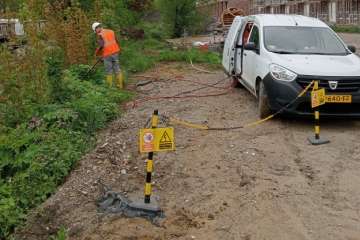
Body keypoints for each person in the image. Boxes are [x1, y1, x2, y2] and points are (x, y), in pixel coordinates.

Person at [92, 22, 123, 89]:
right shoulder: (111, 31)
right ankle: (120, 86)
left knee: (109, 71)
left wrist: (97, 53)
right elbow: (116, 41)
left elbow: (101, 46)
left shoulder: (100, 35)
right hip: (115, 52)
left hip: (107, 55)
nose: (96, 32)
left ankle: (110, 87)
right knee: (117, 69)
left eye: (95, 30)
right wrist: (119, 49)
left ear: (97, 28)